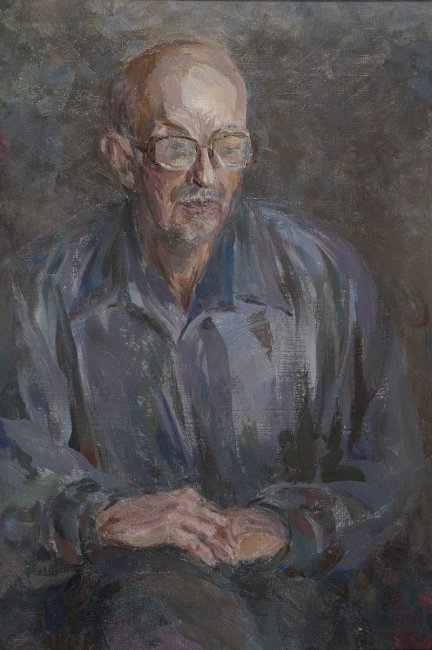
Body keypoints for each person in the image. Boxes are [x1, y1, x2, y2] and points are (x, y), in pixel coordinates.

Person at [0, 40, 419, 649]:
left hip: (291, 611)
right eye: (176, 147)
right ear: (122, 160)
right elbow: (12, 466)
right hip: (106, 613)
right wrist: (102, 517)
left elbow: (387, 471)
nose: (206, 176)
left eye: (228, 147)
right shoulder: (39, 290)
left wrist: (284, 527)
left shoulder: (326, 279)